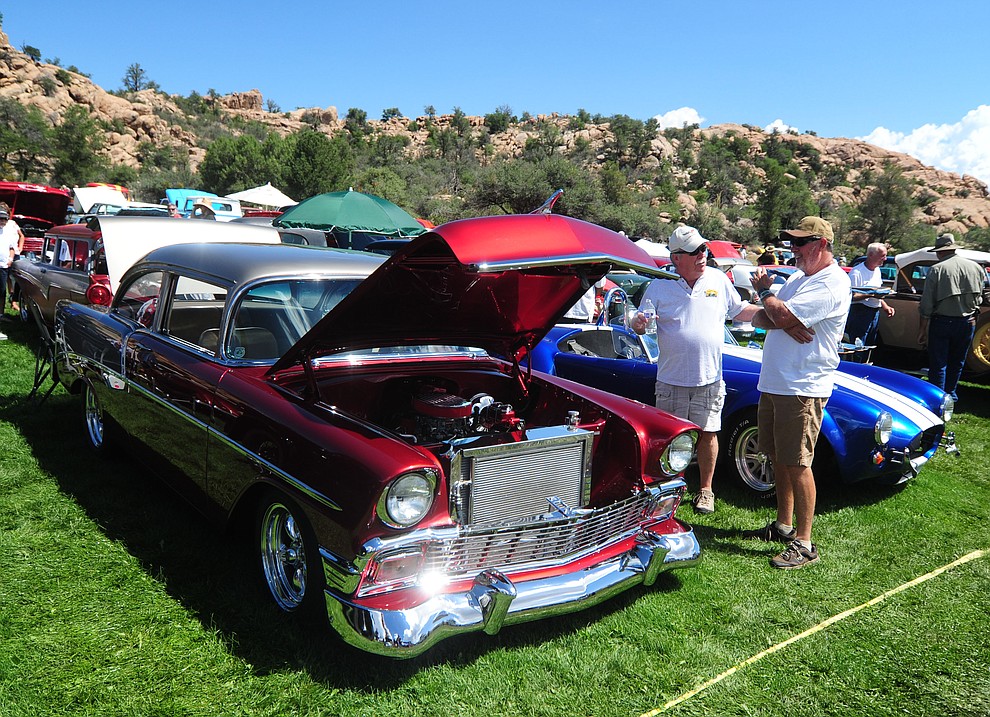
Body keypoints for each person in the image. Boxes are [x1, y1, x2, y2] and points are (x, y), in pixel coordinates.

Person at [744, 216, 851, 569]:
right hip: (777, 382)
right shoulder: (797, 278)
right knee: (776, 456)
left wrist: (770, 301)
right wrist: (781, 319)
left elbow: (777, 311)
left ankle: (804, 543)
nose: (793, 249)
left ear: (821, 244)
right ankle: (783, 526)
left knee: (798, 462)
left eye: (800, 243)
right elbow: (766, 317)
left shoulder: (832, 283)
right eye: (791, 242)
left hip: (802, 387)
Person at [631, 225, 760, 514]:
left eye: (704, 248)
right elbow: (642, 322)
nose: (703, 255)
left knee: (708, 432)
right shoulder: (659, 286)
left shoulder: (717, 278)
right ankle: (669, 486)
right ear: (677, 258)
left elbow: (738, 310)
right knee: (670, 436)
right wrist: (638, 323)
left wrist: (776, 314)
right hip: (670, 377)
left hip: (709, 378)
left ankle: (705, 490)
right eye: (695, 251)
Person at [918, 233, 987, 402]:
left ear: (939, 252)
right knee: (957, 362)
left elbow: (927, 303)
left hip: (942, 321)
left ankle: (938, 398)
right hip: (968, 321)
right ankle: (951, 395)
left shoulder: (937, 269)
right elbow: (980, 297)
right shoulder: (976, 268)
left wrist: (922, 329)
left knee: (939, 363)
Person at [845, 243, 895, 360]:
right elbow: (851, 296)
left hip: (874, 312)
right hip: (860, 313)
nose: (885, 259)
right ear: (871, 255)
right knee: (858, 346)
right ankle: (856, 369)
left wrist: (885, 306)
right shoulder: (857, 273)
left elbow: (878, 292)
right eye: (882, 256)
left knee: (870, 345)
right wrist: (871, 294)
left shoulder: (877, 270)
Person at [0, 201, 25, 314]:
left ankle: (13, 301)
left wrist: (19, 248)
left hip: (12, 255)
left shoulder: (12, 224)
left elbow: (20, 236)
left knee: (14, 278)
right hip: (4, 256)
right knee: (7, 279)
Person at [0, 209, 16, 338]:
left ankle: (1, 314)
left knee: (1, 291)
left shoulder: (8, 232)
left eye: (4, 219)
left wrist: (10, 259)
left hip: (3, 266)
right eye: (1, 219)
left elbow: (12, 248)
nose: (2, 221)